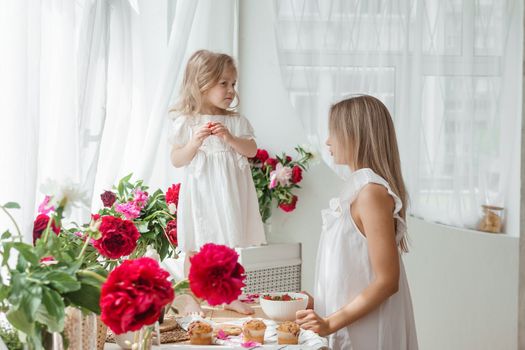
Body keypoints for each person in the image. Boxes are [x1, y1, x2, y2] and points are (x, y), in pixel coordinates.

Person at [296, 95, 418, 349]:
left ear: (355, 134)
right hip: (353, 326)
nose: (327, 141)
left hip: (369, 332)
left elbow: (387, 281)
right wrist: (320, 303)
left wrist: (330, 322)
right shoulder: (357, 191)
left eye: (333, 132)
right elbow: (354, 270)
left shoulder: (371, 193)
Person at [169, 50, 266, 315]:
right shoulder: (187, 122)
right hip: (202, 193)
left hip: (229, 194)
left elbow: (251, 150)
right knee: (195, 244)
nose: (231, 90)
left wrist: (231, 139)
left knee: (229, 244)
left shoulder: (237, 121)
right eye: (223, 83)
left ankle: (228, 294)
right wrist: (194, 142)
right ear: (201, 83)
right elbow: (178, 159)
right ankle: (190, 294)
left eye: (233, 84)